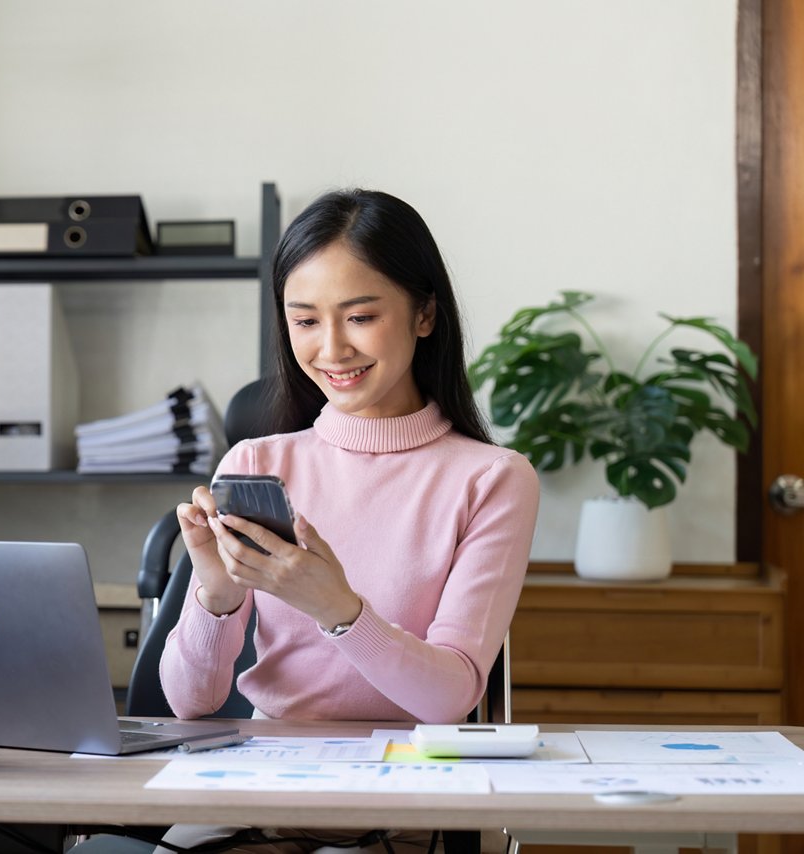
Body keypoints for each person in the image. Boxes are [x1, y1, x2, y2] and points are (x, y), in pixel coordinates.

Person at [151, 188, 541, 853]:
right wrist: (217, 595)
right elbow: (190, 704)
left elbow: (449, 696)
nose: (331, 349)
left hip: (407, 802)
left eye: (360, 316)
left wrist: (335, 608)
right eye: (304, 321)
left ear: (424, 314)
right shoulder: (258, 461)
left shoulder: (492, 479)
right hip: (261, 790)